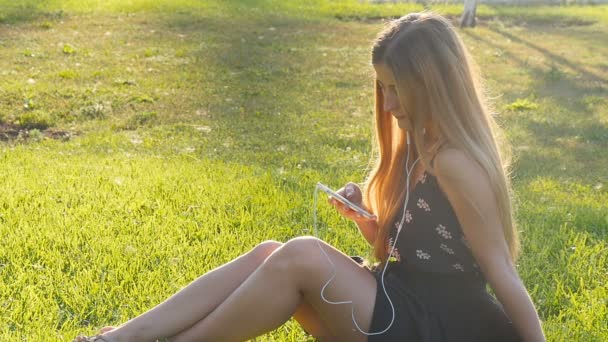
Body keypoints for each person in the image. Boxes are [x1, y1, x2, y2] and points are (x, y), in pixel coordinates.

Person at [74, 11, 545, 342]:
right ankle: (129, 335)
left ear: (434, 85)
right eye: (382, 88)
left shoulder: (457, 161)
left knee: (301, 254)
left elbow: (499, 270)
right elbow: (418, 249)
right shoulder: (416, 147)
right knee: (270, 253)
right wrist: (369, 224)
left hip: (438, 324)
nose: (388, 104)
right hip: (400, 298)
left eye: (397, 89)